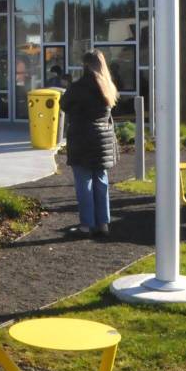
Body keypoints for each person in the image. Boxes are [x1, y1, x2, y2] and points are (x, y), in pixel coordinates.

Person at [60, 49, 119, 239]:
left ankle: (86, 225)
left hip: (82, 137)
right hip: (103, 139)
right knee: (101, 181)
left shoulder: (78, 86)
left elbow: (64, 104)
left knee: (84, 181)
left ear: (85, 65)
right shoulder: (108, 86)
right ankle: (104, 223)